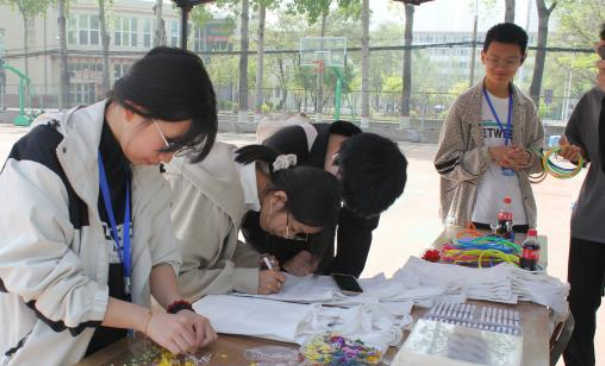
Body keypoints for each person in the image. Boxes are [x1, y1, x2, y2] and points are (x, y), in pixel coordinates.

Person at [0, 47, 219, 366]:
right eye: (169, 143)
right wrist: (147, 320)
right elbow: (48, 285)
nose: (168, 158)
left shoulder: (144, 167)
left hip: (107, 363)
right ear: (133, 108)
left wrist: (178, 307)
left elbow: (160, 252)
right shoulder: (46, 157)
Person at [163, 141, 342, 301]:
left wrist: (252, 261)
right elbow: (172, 279)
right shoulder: (210, 194)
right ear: (279, 199)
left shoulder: (245, 179)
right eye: (293, 228)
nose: (288, 236)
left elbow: (211, 241)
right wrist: (245, 281)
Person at [241, 122, 407, 278]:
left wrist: (330, 273)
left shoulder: (371, 176)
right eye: (342, 200)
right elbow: (258, 226)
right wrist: (283, 262)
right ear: (335, 161)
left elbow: (356, 243)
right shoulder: (286, 151)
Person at [434, 22, 544, 232]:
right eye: (494, 59)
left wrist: (527, 158)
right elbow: (445, 164)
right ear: (483, 57)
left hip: (518, 218)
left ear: (522, 60)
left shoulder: (527, 107)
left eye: (510, 61)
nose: (501, 67)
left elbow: (539, 161)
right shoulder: (464, 105)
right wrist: (490, 153)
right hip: (473, 215)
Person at [548, 24, 605, 366]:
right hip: (592, 221)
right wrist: (575, 153)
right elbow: (578, 149)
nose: (599, 59)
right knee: (580, 303)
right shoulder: (592, 100)